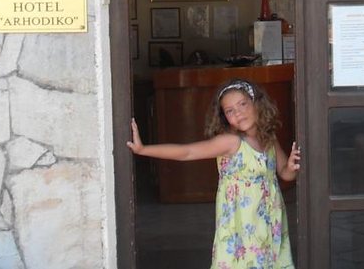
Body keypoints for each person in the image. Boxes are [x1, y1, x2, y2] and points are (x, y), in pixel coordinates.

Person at [127, 78, 301, 269]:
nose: (238, 113)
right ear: (224, 117)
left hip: (270, 220)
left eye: (243, 104)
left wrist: (291, 167)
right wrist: (143, 150)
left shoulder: (268, 137)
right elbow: (187, 152)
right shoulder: (231, 142)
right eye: (230, 110)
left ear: (256, 103)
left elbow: (285, 174)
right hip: (241, 225)